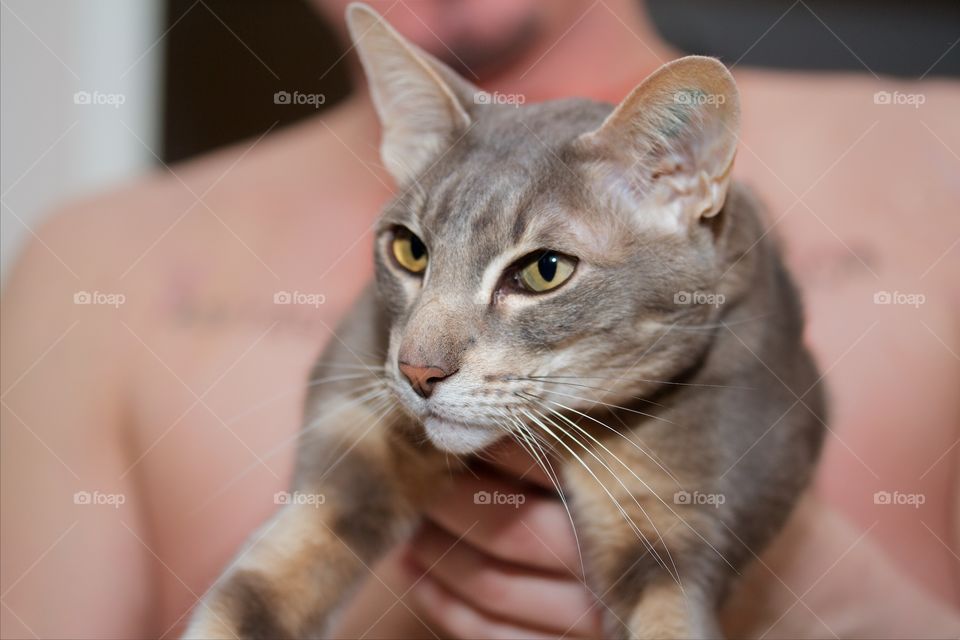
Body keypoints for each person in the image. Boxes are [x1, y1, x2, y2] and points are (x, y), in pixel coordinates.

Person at [2, 0, 958, 637]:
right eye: (412, 259)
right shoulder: (93, 266)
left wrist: (811, 587)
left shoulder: (939, 159)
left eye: (540, 268)